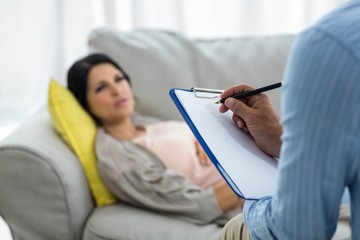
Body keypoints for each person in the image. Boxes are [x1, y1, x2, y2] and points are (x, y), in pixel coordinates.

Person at [219, 1, 358, 239]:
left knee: (237, 227)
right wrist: (282, 141)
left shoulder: (330, 43)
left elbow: (298, 229)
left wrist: (256, 198)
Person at [67, 53, 243, 225]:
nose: (116, 90)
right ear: (85, 103)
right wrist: (250, 180)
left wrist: (201, 140)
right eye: (101, 88)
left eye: (119, 79)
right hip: (246, 197)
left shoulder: (144, 123)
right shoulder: (117, 159)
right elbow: (198, 205)